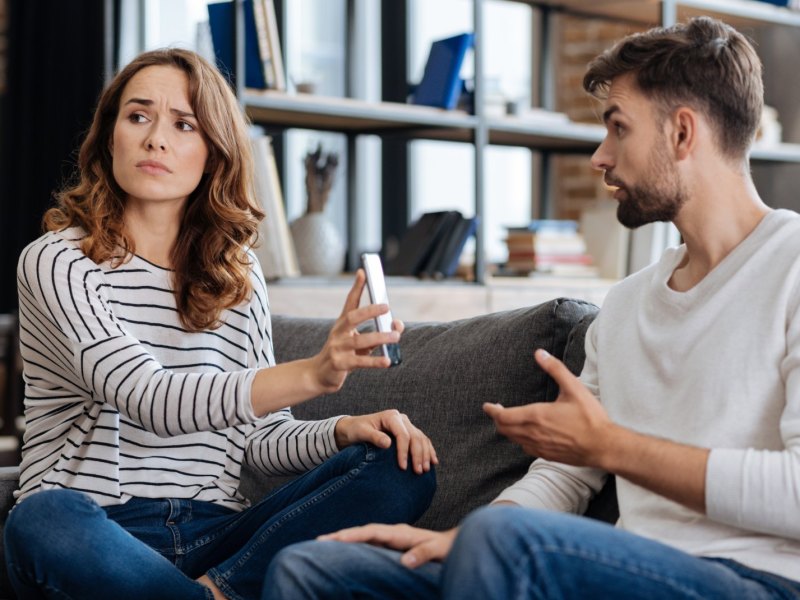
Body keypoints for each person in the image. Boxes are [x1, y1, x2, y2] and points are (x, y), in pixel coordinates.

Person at [262, 16, 800, 599]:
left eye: (618, 128)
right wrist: (465, 537)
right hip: (608, 572)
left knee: (506, 539)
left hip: (753, 581)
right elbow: (568, 472)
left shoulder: (791, 269)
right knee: (312, 570)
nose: (600, 156)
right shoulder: (625, 304)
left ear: (683, 134)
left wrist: (609, 448)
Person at [4, 48, 437, 600]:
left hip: (218, 536)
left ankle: (216, 590)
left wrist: (342, 429)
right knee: (43, 518)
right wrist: (315, 373)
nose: (155, 138)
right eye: (138, 116)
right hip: (99, 530)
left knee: (400, 466)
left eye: (184, 124)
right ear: (109, 136)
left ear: (212, 153)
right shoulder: (57, 260)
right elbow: (149, 398)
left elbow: (259, 440)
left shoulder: (239, 273)